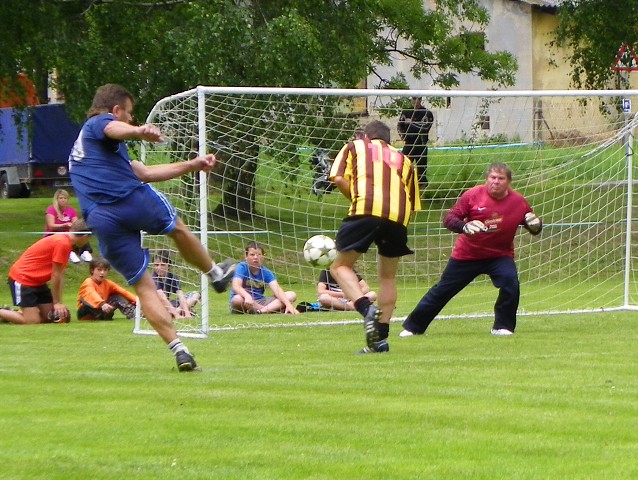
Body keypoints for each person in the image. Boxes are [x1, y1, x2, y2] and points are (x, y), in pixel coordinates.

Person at [68, 83, 235, 372]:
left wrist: (193, 164)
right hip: (129, 200)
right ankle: (214, 273)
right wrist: (138, 131)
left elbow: (146, 173)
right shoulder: (99, 123)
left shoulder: (88, 153)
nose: (130, 119)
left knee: (144, 286)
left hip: (102, 222)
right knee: (177, 228)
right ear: (115, 110)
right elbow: (114, 129)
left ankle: (179, 350)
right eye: (129, 114)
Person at [400, 162, 542, 338]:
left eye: (500, 178)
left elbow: (533, 225)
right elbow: (449, 219)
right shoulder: (473, 195)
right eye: (492, 177)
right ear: (486, 179)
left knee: (510, 283)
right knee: (442, 290)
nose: (495, 182)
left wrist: (536, 225)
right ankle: (413, 327)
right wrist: (464, 226)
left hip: (499, 256)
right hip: (468, 254)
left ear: (509, 182)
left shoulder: (518, 201)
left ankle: (503, 326)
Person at [329, 120, 421, 353]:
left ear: (366, 137)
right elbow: (412, 201)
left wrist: (357, 199)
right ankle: (379, 340)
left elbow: (338, 177)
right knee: (387, 278)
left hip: (366, 209)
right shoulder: (405, 160)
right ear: (390, 140)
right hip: (398, 217)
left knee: (339, 267)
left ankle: (366, 309)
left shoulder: (355, 146)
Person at [0, 220, 92, 324]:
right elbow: (56, 275)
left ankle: (11, 313)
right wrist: (56, 303)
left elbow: (60, 274)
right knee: (33, 321)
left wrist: (59, 302)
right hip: (23, 279)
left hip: (38, 282)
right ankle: (5, 313)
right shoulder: (63, 243)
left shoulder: (67, 243)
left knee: (51, 317)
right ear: (85, 236)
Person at [230, 241, 299, 314]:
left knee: (291, 295)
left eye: (259, 254)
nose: (256, 257)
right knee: (237, 299)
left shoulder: (266, 272)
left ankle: (261, 311)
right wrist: (247, 296)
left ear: (263, 256)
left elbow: (277, 290)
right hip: (244, 300)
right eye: (252, 255)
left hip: (261, 301)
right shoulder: (241, 267)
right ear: (246, 256)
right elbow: (236, 286)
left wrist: (288, 305)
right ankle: (272, 309)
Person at [45, 189, 94, 264]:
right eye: (61, 198)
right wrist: (63, 225)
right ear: (56, 199)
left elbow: (76, 224)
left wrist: (75, 225)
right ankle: (70, 253)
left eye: (65, 198)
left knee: (81, 233)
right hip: (53, 234)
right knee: (62, 232)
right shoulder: (51, 209)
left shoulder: (71, 210)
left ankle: (85, 252)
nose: (63, 200)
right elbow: (51, 226)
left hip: (68, 233)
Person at [152, 250, 200, 319]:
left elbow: (180, 295)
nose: (159, 268)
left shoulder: (172, 277)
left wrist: (187, 313)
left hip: (168, 306)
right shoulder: (153, 278)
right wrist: (176, 315)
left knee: (196, 294)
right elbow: (162, 298)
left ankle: (180, 312)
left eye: (162, 265)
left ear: (169, 266)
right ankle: (176, 313)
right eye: (156, 265)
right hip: (155, 307)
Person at [397, 96, 434, 187]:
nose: (416, 101)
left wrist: (411, 123)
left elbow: (425, 128)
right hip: (409, 143)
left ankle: (422, 188)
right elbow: (400, 125)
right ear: (411, 100)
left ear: (421, 100)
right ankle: (403, 184)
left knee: (422, 169)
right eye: (414, 98)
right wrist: (402, 135)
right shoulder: (406, 112)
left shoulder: (427, 113)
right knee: (403, 165)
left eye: (418, 99)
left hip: (421, 144)